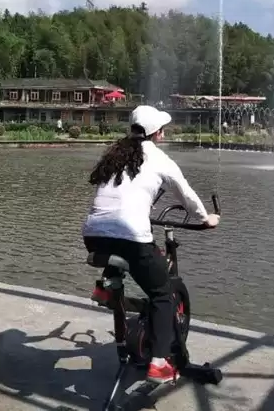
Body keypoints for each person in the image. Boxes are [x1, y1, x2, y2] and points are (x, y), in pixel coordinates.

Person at [82, 105, 219, 384]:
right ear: (158, 133)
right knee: (162, 294)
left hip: (93, 234)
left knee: (122, 253)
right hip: (130, 234)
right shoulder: (158, 158)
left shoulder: (116, 153)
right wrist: (206, 218)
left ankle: (108, 289)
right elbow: (187, 194)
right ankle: (158, 363)